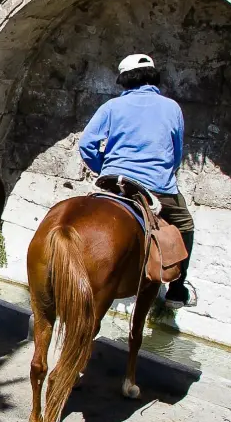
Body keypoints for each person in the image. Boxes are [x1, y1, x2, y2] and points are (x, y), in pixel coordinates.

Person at [79, 54, 195, 308]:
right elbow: (176, 154)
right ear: (153, 75)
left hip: (112, 182)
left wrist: (104, 168)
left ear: (124, 79)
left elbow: (87, 145)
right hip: (155, 186)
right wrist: (165, 173)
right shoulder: (171, 107)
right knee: (185, 223)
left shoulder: (110, 107)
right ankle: (177, 287)